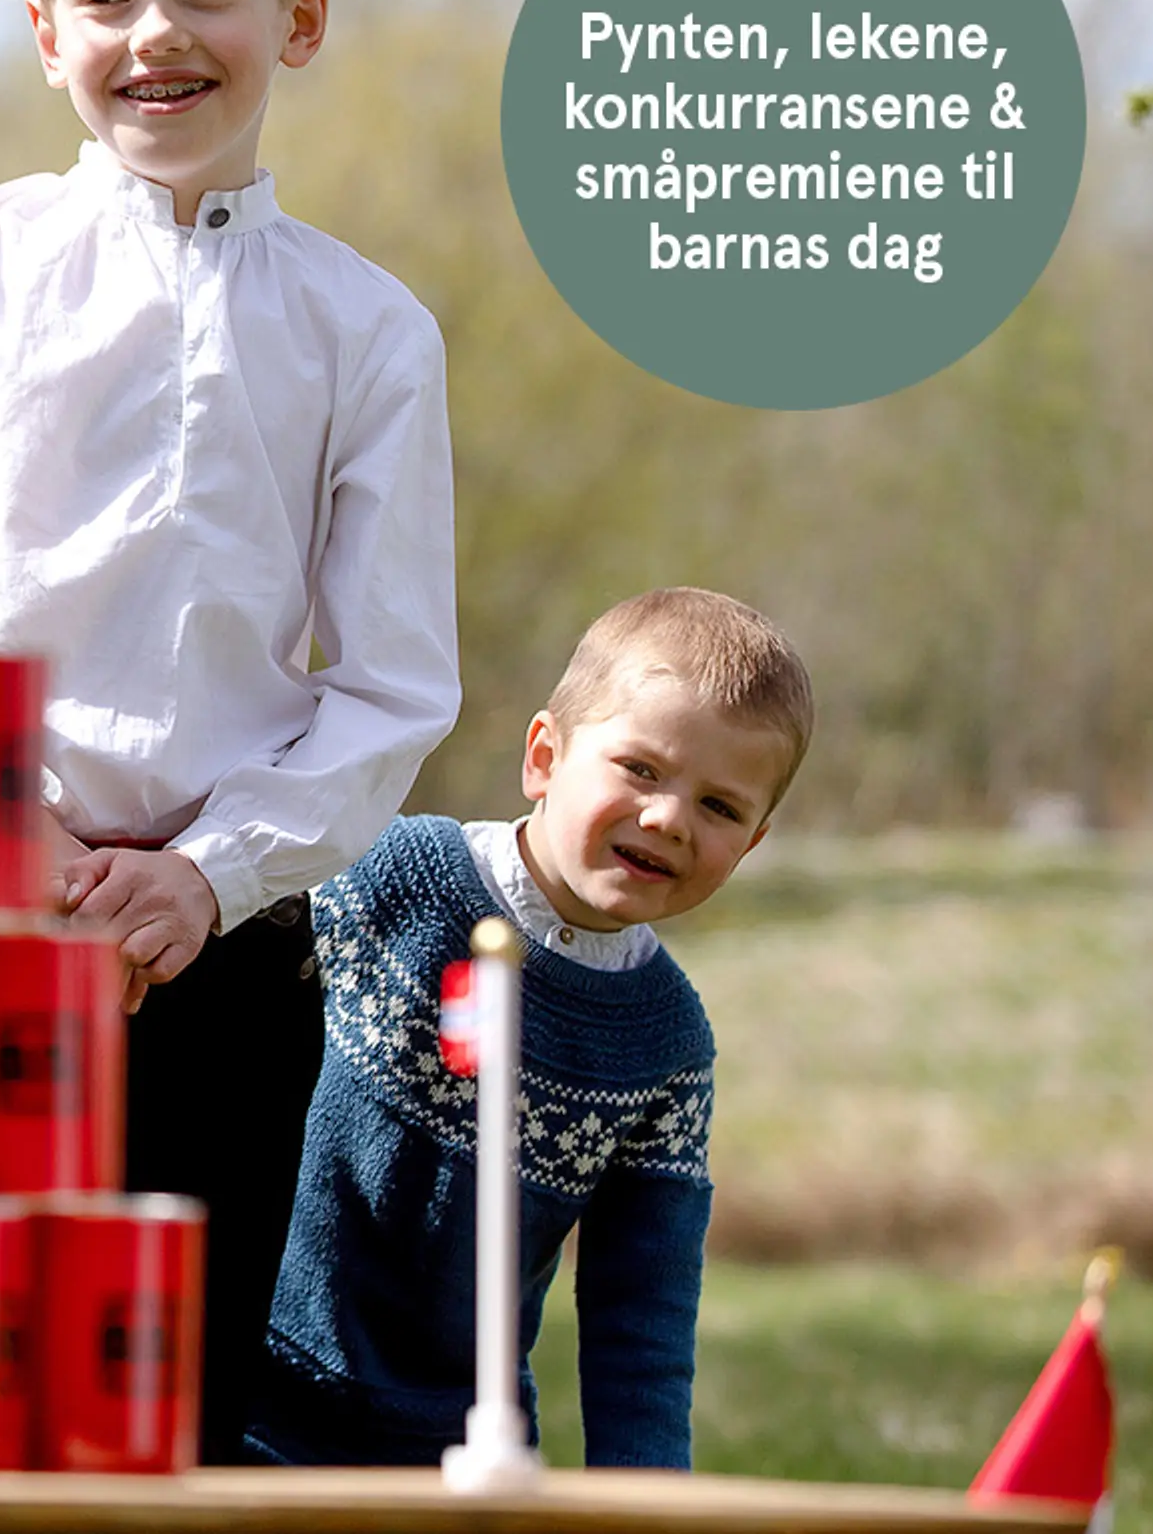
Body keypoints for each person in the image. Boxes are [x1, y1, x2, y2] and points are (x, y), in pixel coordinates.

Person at [0, 0, 461, 1459]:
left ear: (298, 16)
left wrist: (208, 871)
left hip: (219, 968)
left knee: (144, 1422)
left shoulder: (369, 332)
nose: (153, 36)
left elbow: (390, 685)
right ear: (45, 33)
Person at [257, 587, 808, 1469]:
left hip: (460, 1448)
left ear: (751, 843)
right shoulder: (384, 876)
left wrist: (646, 1516)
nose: (669, 817)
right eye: (640, 769)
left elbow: (643, 1323)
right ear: (545, 757)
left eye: (720, 807)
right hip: (253, 1391)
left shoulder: (667, 1048)